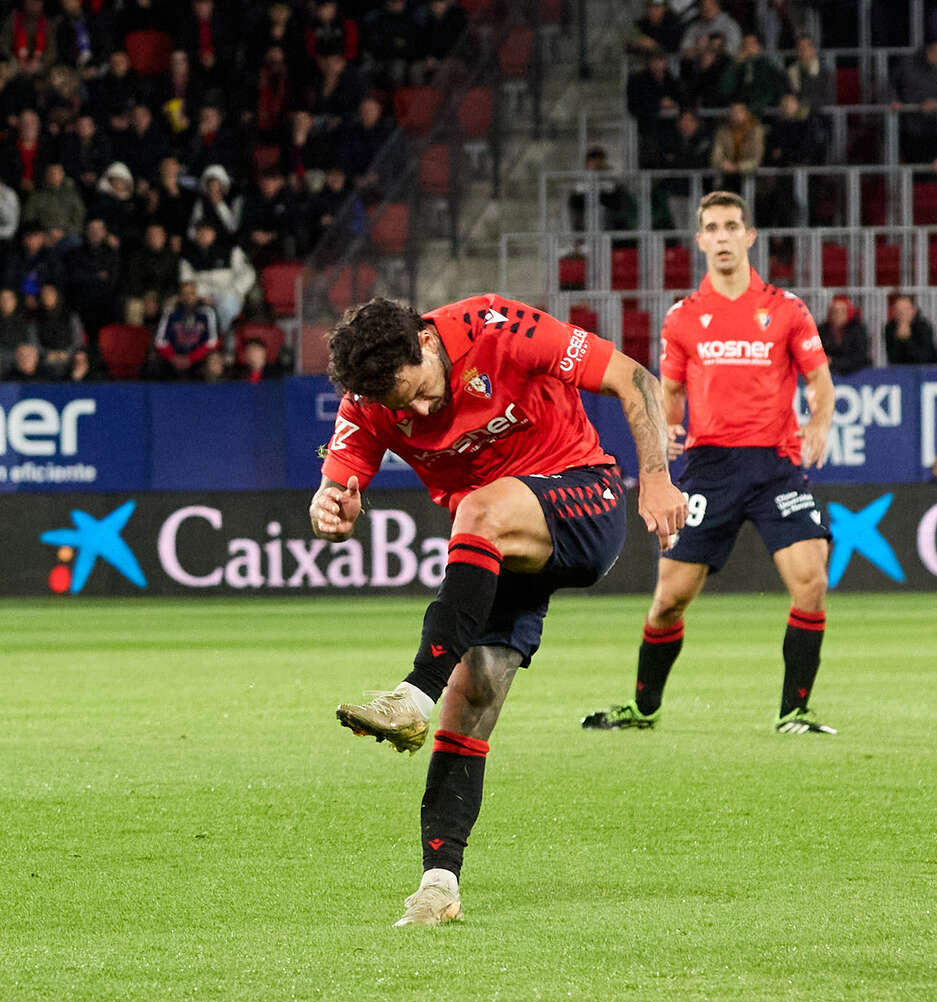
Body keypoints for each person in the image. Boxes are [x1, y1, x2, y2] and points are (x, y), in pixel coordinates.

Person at [312, 292, 686, 926]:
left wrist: (655, 477)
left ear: (426, 342)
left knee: (477, 508)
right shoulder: (371, 399)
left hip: (582, 495)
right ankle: (438, 885)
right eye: (403, 406)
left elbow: (635, 378)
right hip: (500, 543)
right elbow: (335, 485)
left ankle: (412, 694)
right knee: (475, 693)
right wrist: (330, 509)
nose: (420, 411)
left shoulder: (499, 328)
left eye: (420, 391)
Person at [583, 191, 836, 735]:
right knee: (669, 599)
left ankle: (795, 711)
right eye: (713, 228)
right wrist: (668, 428)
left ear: (749, 236)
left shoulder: (786, 309)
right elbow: (670, 392)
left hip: (776, 465)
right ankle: (643, 708)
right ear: (700, 241)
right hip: (709, 466)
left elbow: (819, 379)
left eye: (731, 226)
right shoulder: (683, 318)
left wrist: (818, 421)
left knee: (811, 581)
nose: (723, 237)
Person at [883, 293, 937, 365]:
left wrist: (907, 339)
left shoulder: (923, 327)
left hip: (924, 369)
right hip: (899, 369)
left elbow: (923, 357)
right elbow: (893, 357)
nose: (902, 313)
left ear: (913, 311)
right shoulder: (890, 327)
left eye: (905, 310)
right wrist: (899, 339)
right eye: (898, 310)